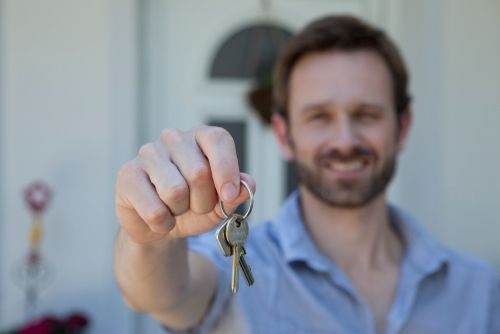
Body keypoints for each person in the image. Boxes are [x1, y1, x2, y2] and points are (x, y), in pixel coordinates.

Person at [114, 15, 500, 334]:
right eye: (319, 117)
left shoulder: (479, 288)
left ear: (403, 126)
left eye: (367, 114)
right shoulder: (237, 264)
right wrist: (149, 236)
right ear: (284, 134)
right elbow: (164, 294)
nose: (345, 140)